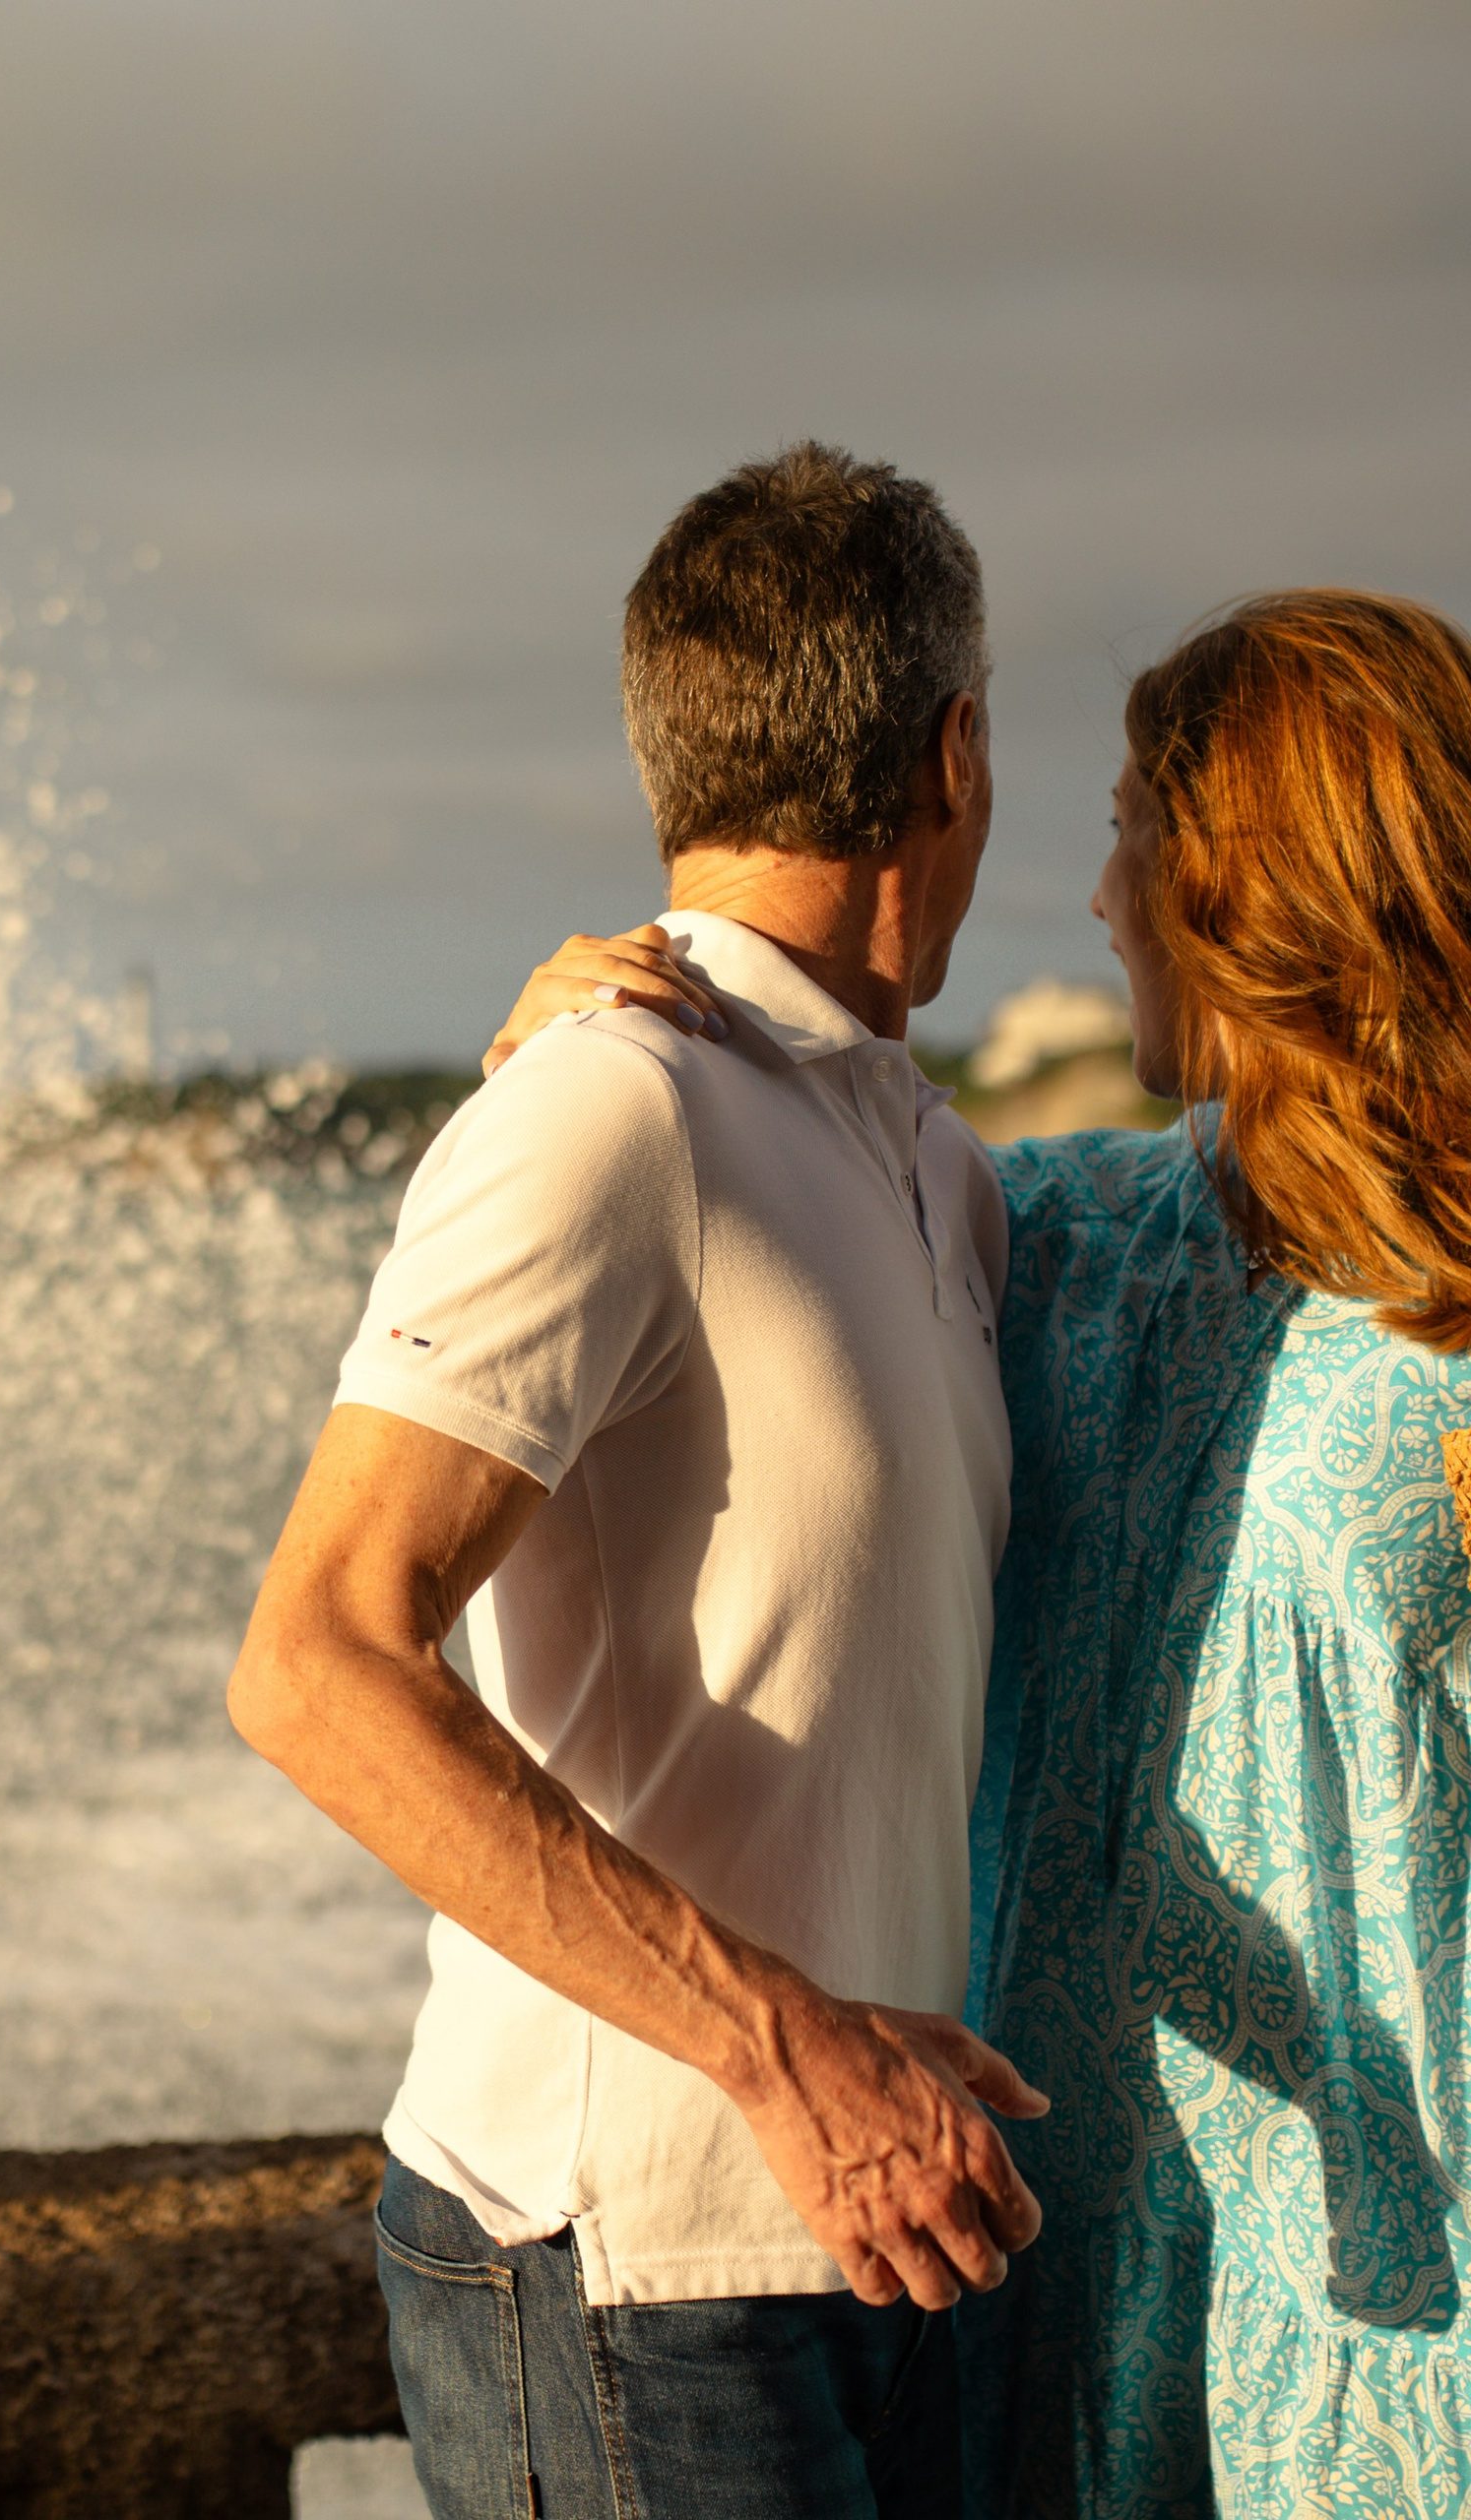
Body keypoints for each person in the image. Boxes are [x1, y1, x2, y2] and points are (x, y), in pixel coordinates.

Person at [489, 589, 1471, 2517]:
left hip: (1399, 2338)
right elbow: (753, 1236)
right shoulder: (1075, 1240)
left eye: (1128, 832)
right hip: (1073, 2316)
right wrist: (572, 1071)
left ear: (1249, 889)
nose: (1095, 894)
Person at [226, 441, 1049, 2520]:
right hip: (631, 2271)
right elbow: (312, 1663)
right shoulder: (600, 1109)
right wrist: (785, 2047)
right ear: (950, 755)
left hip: (891, 2225)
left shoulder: (935, 1170)